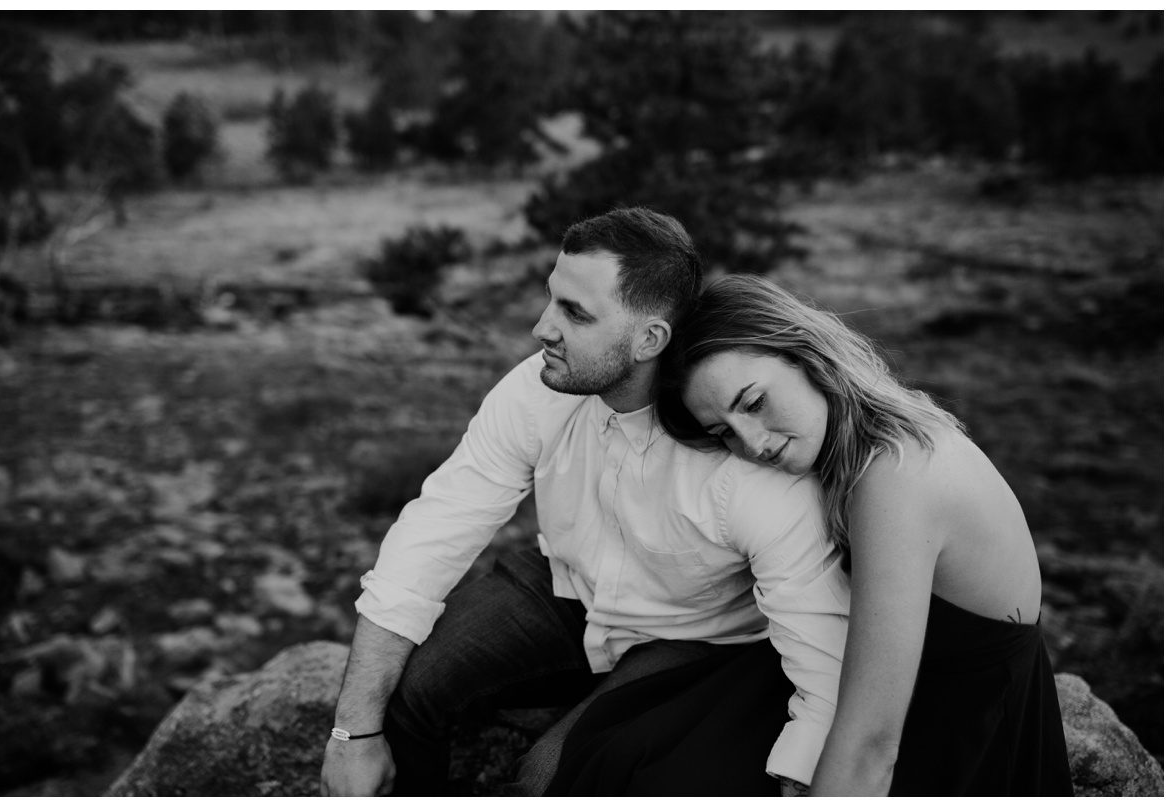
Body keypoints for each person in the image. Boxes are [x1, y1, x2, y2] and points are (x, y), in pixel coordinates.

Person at [319, 209, 849, 797]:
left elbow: (821, 652)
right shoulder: (535, 390)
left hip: (693, 639)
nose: (541, 329)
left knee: (550, 776)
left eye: (574, 313)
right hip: (566, 586)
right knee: (407, 688)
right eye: (552, 299)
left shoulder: (744, 462)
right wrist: (352, 735)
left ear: (650, 339)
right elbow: (438, 526)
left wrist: (805, 776)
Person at [635, 273, 1072, 795]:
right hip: (899, 694)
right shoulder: (861, 441)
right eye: (723, 432)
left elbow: (872, 746)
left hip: (961, 730)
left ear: (806, 355)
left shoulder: (895, 478)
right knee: (650, 742)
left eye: (753, 403)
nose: (751, 443)